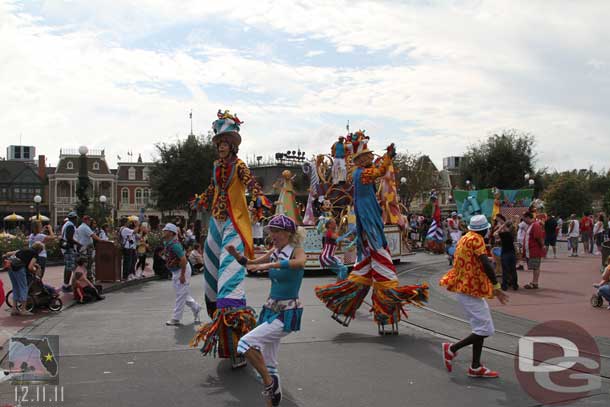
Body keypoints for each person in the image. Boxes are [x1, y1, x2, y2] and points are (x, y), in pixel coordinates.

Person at [315, 143, 428, 334]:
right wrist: (388, 156)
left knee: (368, 266)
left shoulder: (361, 174)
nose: (368, 158)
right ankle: (386, 315)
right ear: (359, 161)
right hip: (368, 218)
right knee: (382, 267)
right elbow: (380, 171)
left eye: (368, 156)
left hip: (369, 218)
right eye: (365, 156)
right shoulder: (362, 174)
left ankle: (346, 302)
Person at [192, 110, 263, 368]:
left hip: (234, 223)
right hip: (216, 223)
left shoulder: (240, 166)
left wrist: (259, 200)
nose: (220, 147)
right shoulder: (215, 167)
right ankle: (223, 335)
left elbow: (253, 184)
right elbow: (213, 188)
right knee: (210, 281)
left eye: (224, 143)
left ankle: (238, 343)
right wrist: (201, 199)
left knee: (229, 283)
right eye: (218, 143)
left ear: (232, 146)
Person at [440, 215, 509, 378]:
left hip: (469, 289)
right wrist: (496, 286)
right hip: (469, 291)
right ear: (484, 229)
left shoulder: (465, 238)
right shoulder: (477, 239)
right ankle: (451, 349)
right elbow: (485, 264)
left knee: (480, 328)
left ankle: (475, 367)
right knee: (486, 328)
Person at [162, 223, 202, 326]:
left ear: (171, 232)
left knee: (180, 295)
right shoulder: (168, 242)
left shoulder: (175, 244)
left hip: (181, 270)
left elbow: (183, 260)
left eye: (165, 230)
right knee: (183, 293)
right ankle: (196, 307)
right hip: (176, 271)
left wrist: (183, 275)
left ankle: (176, 318)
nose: (163, 232)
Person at [3, 242, 45, 316]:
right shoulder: (35, 254)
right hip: (19, 269)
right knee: (23, 288)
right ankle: (23, 309)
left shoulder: (24, 249)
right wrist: (36, 271)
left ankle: (14, 309)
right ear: (40, 250)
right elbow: (30, 267)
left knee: (15, 287)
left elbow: (10, 253)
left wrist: (5, 255)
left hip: (11, 267)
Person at [75, 215, 103, 281]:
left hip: (82, 247)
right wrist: (102, 240)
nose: (90, 222)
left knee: (86, 263)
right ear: (85, 220)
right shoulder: (85, 227)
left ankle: (86, 277)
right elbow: (93, 236)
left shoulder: (80, 227)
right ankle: (88, 278)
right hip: (86, 248)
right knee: (88, 264)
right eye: (89, 220)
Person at [523, 212, 545, 289]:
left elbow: (538, 237)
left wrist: (542, 246)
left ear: (528, 217)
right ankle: (534, 281)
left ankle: (535, 282)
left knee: (536, 266)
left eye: (524, 219)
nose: (524, 221)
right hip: (531, 250)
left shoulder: (535, 225)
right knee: (534, 266)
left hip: (534, 250)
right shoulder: (531, 225)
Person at [60, 212, 81, 292]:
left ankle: (67, 284)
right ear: (74, 218)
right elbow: (69, 238)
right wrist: (78, 243)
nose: (77, 220)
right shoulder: (70, 226)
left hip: (67, 249)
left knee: (69, 267)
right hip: (69, 249)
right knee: (69, 267)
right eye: (76, 219)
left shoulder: (66, 224)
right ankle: (66, 286)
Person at [494, 219, 518, 290]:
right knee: (513, 269)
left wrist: (501, 226)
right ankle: (515, 284)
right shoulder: (513, 233)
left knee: (505, 270)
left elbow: (495, 233)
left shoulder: (504, 234)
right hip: (512, 252)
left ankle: (504, 285)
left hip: (505, 253)